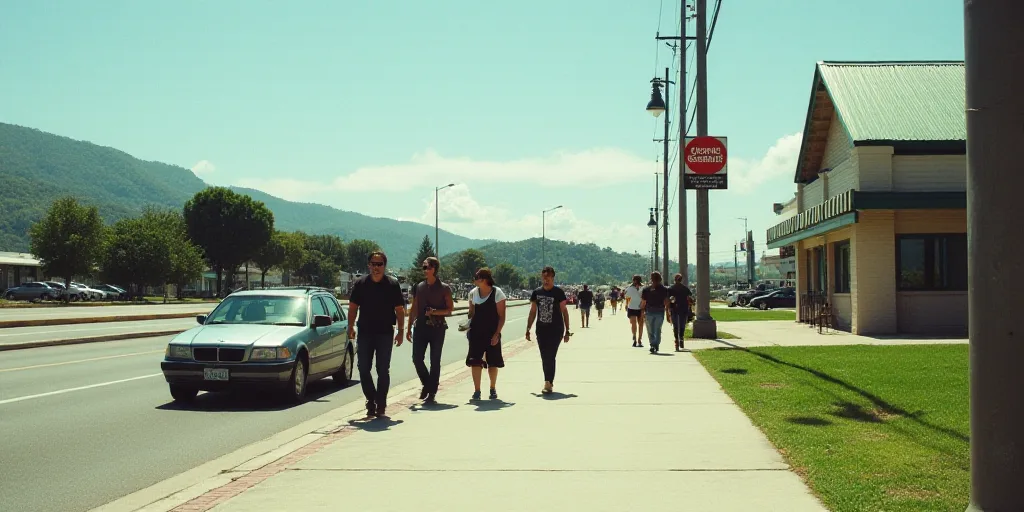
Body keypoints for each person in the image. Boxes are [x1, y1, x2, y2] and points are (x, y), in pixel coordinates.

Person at [347, 251, 406, 417]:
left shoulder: (392, 284)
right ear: (369, 265)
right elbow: (352, 308)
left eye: (379, 264)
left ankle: (381, 404)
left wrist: (401, 331)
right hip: (365, 332)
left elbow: (400, 310)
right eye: (373, 264)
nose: (376, 267)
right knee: (363, 368)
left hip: (385, 333)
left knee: (382, 369)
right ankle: (371, 399)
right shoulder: (360, 284)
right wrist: (350, 326)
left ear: (384, 266)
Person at [406, 256, 454, 403]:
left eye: (428, 267)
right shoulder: (419, 286)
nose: (425, 270)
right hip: (420, 327)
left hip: (437, 328)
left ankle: (431, 391)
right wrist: (408, 328)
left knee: (435, 360)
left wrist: (434, 312)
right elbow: (414, 308)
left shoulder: (444, 288)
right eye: (424, 267)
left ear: (435, 269)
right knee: (416, 359)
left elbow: (450, 310)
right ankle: (427, 384)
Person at [526, 266, 571, 394]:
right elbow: (533, 311)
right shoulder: (537, 293)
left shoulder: (558, 293)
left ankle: (548, 382)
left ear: (553, 278)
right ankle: (549, 381)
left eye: (548, 278)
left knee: (550, 355)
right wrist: (528, 328)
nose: (546, 281)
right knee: (544, 356)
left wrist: (567, 331)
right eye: (544, 278)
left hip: (556, 329)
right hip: (541, 329)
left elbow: (565, 312)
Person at [466, 268, 506, 401]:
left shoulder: (497, 293)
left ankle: (492, 388)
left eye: (477, 277)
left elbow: (502, 317)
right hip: (476, 332)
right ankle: (477, 390)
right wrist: (467, 323)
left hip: (492, 332)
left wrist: (497, 334)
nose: (475, 280)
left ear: (484, 279)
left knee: (493, 362)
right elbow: (471, 312)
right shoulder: (473, 293)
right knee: (475, 361)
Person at [640, 271, 671, 354]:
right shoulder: (664, 289)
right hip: (659, 312)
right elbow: (667, 302)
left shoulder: (647, 289)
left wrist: (642, 311)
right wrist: (668, 313)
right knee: (657, 329)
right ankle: (655, 344)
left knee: (650, 330)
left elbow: (643, 302)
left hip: (650, 312)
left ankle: (653, 344)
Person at [667, 273, 693, 351]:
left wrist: (667, 310)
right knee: (682, 325)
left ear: (674, 279)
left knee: (675, 326)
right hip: (683, 309)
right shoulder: (685, 288)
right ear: (681, 280)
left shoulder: (671, 288)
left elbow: (668, 300)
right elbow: (689, 298)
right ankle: (681, 338)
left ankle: (676, 341)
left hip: (674, 309)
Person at [624, 275, 645, 347]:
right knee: (633, 323)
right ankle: (635, 338)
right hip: (632, 307)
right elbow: (627, 297)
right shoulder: (629, 288)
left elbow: (644, 297)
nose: (635, 282)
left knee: (641, 324)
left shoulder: (643, 288)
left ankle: (639, 340)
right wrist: (626, 305)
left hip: (641, 308)